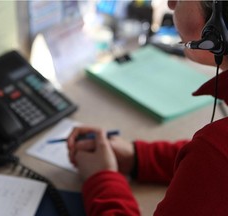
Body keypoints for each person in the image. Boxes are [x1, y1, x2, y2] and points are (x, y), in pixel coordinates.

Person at [67, 1, 228, 215]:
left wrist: (102, 178)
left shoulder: (215, 153)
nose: (170, 3)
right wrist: (139, 157)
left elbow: (215, 160)